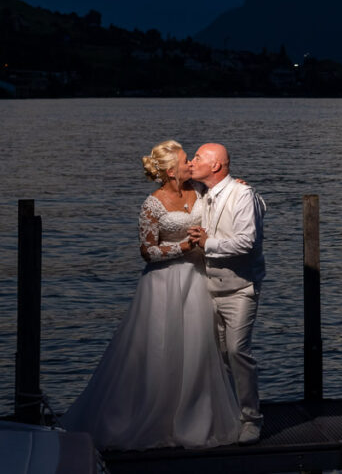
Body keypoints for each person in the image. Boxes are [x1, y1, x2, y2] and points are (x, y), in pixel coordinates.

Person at [61, 140, 240, 451]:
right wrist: (186, 247)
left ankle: (195, 416)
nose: (191, 164)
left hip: (197, 281)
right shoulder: (151, 205)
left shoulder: (198, 190)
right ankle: (154, 416)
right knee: (160, 351)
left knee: (197, 350)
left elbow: (221, 188)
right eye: (186, 160)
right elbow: (147, 252)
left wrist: (236, 186)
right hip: (164, 284)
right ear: (171, 171)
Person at [187, 142, 267, 446]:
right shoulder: (202, 190)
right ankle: (227, 413)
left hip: (241, 289)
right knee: (218, 356)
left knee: (237, 351)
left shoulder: (242, 195)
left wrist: (208, 243)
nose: (192, 162)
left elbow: (246, 242)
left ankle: (251, 418)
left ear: (217, 166)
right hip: (207, 288)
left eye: (198, 158)